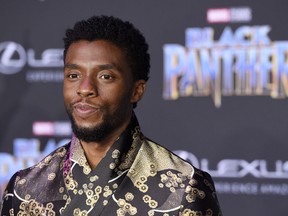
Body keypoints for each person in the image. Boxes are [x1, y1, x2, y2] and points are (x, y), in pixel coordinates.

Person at [0, 15, 222, 215]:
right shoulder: (24, 189)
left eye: (106, 76)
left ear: (137, 90)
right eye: (73, 74)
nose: (85, 88)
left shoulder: (184, 187)